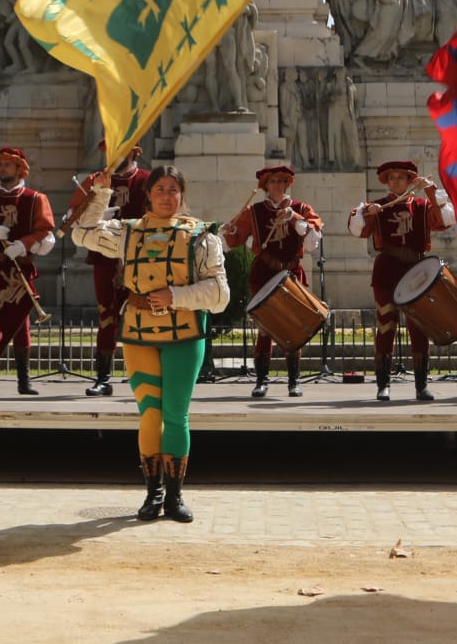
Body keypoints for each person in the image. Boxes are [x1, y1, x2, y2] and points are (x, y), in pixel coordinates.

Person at [71, 165, 229, 522]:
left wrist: (174, 295)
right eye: (159, 189)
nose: (166, 195)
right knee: (149, 414)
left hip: (184, 336)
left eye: (173, 189)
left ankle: (174, 496)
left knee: (175, 415)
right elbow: (83, 233)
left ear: (182, 195)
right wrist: (100, 194)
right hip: (139, 334)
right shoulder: (128, 232)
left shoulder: (202, 236)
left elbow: (220, 294)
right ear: (148, 194)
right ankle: (152, 493)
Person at [347, 160, 450, 401]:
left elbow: (445, 221)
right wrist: (365, 212)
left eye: (400, 178)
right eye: (391, 178)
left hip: (417, 271)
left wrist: (432, 191)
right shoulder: (378, 206)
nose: (395, 182)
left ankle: (421, 386)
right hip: (387, 272)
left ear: (409, 180)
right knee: (386, 326)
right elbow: (356, 228)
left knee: (419, 327)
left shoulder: (423, 206)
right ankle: (383, 385)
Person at [221, 164, 322, 398]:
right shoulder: (254, 211)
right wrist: (228, 232)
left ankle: (294, 381)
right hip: (264, 272)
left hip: (291, 273)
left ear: (288, 184)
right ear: (265, 185)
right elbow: (234, 240)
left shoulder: (302, 208)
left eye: (282, 181)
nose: (278, 185)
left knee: (293, 327)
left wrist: (295, 218)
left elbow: (312, 241)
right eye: (273, 181)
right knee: (265, 328)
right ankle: (261, 380)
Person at [0, 146, 56, 395]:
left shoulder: (36, 199)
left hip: (21, 268)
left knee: (20, 325)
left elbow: (46, 236)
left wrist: (23, 245)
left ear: (19, 168)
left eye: (8, 164)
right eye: (0, 164)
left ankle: (24, 381)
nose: (3, 168)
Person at [67, 140, 150, 396]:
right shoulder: (95, 179)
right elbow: (73, 215)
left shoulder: (147, 179)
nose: (117, 155)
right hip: (103, 255)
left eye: (122, 150)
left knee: (143, 315)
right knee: (106, 317)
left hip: (138, 258)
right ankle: (103, 378)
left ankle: (148, 376)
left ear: (134, 152)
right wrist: (90, 216)